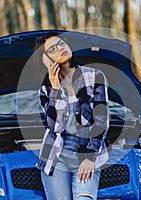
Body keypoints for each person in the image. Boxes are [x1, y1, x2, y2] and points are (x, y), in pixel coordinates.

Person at [35, 31, 110, 200]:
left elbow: (101, 120)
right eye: (52, 49)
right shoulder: (46, 89)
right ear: (46, 59)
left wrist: (90, 157)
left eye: (61, 43)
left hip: (87, 151)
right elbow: (54, 127)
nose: (60, 48)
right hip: (56, 156)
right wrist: (55, 88)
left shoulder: (94, 76)